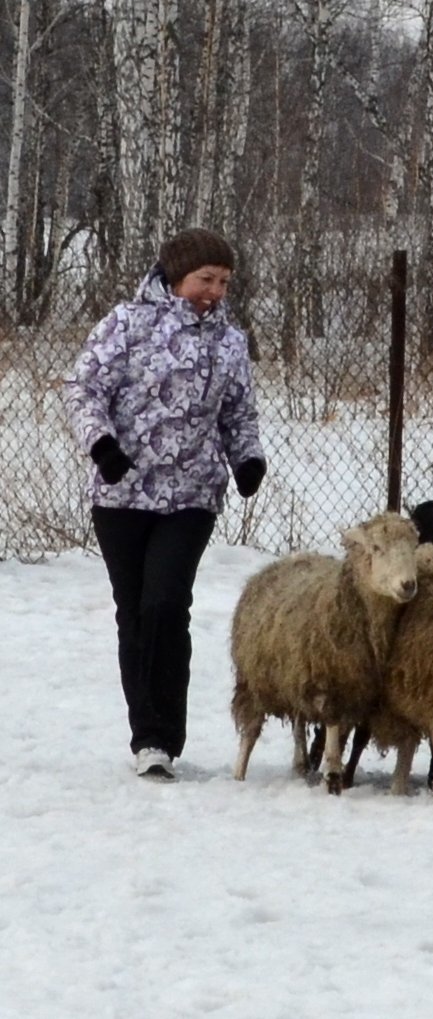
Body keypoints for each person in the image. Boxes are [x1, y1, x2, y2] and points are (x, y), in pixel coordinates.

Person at [64, 228, 266, 781]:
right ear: (175, 277)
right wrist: (101, 445)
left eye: (224, 281)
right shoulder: (127, 323)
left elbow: (239, 416)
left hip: (192, 496)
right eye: (205, 279)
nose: (215, 291)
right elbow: (83, 389)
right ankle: (147, 739)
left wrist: (247, 459)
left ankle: (166, 735)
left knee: (166, 604)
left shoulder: (230, 342)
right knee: (134, 613)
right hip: (121, 493)